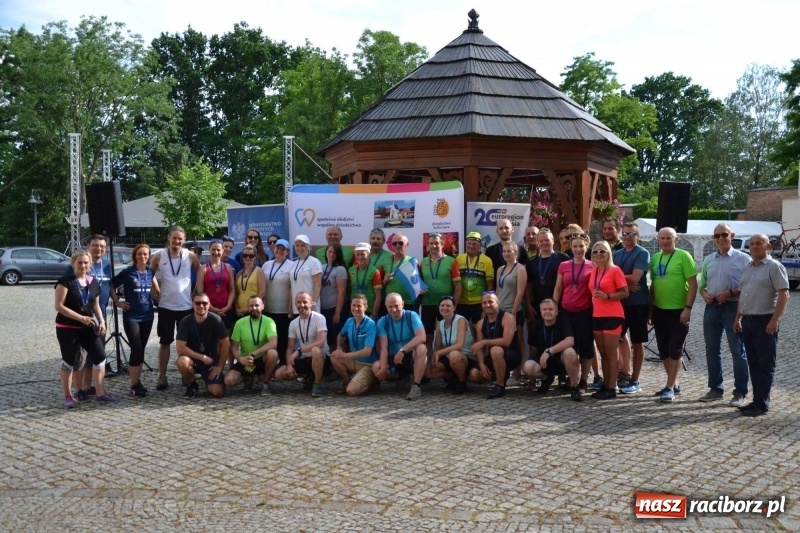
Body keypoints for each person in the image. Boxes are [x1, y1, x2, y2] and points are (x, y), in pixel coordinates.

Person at [734, 235, 790, 417]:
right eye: (752, 244)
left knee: (765, 364)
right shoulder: (748, 267)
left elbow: (784, 294)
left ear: (768, 246)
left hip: (765, 320)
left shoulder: (774, 267)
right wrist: (738, 318)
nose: (755, 247)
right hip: (748, 321)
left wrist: (775, 320)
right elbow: (743, 295)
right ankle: (756, 400)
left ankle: (762, 404)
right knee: (754, 363)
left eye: (759, 244)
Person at [697, 223, 752, 406]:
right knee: (712, 350)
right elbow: (702, 284)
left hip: (733, 308)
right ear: (713, 238)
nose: (720, 238)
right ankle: (715, 389)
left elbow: (749, 286)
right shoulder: (708, 260)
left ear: (732, 235)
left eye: (724, 234)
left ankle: (740, 392)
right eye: (717, 235)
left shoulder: (744, 259)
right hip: (712, 308)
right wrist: (704, 294)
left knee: (737, 350)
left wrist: (730, 292)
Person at [55, 251, 117, 408]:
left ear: (90, 265)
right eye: (80, 262)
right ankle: (68, 396)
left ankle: (100, 393)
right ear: (73, 263)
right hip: (67, 327)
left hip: (88, 326)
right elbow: (59, 306)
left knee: (100, 357)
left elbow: (95, 305)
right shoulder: (65, 281)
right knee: (69, 362)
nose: (83, 266)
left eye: (86, 263)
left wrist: (102, 321)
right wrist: (80, 318)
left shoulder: (93, 281)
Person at [150, 226, 202, 391]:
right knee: (165, 342)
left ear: (184, 239)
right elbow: (148, 275)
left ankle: (184, 374)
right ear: (168, 238)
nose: (177, 241)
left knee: (185, 343)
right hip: (166, 306)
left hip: (186, 307)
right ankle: (162, 376)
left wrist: (197, 292)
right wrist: (156, 291)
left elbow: (201, 271)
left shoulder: (190, 256)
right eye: (174, 238)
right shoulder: (159, 256)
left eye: (180, 238)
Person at [649, 227, 697, 403]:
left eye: (669, 238)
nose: (665, 241)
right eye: (662, 238)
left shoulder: (684, 256)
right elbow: (653, 285)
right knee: (664, 351)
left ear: (676, 240)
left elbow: (693, 284)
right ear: (657, 240)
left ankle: (669, 387)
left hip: (679, 310)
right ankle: (673, 384)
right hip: (660, 310)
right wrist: (651, 310)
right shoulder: (655, 258)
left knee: (675, 349)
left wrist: (688, 308)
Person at [111, 244, 159, 397]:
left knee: (141, 349)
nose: (143, 257)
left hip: (147, 315)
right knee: (136, 348)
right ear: (134, 256)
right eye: (139, 254)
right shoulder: (127, 272)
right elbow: (111, 284)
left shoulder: (151, 272)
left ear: (149, 256)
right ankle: (133, 384)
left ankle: (138, 381)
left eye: (145, 254)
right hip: (131, 316)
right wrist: (117, 302)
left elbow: (157, 291)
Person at [72, 234, 112, 401]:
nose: (99, 249)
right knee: (80, 357)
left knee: (94, 357)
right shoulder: (80, 265)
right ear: (88, 246)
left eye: (102, 246)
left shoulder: (108, 265)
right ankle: (78, 389)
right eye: (95, 245)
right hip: (81, 319)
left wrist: (115, 302)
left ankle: (88, 387)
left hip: (99, 317)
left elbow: (111, 286)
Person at [553, 232, 594, 391]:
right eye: (575, 246)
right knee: (569, 348)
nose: (578, 249)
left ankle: (583, 380)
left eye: (581, 246)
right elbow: (558, 288)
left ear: (586, 246)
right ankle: (572, 380)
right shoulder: (563, 266)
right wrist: (555, 305)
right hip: (566, 312)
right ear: (570, 247)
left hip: (584, 312)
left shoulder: (592, 265)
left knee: (586, 347)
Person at [588, 241, 629, 400]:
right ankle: (606, 385)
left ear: (609, 253)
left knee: (611, 353)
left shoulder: (615, 270)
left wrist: (608, 296)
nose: (599, 255)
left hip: (613, 315)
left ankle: (612, 388)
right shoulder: (594, 271)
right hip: (597, 315)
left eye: (602, 252)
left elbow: (625, 292)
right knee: (603, 353)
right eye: (596, 252)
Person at [614, 222, 651, 395]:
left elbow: (636, 278)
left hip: (637, 303)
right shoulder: (617, 253)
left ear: (638, 236)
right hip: (619, 303)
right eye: (625, 234)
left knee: (637, 342)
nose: (627, 237)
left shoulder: (642, 253)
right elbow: (608, 275)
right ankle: (613, 376)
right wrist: (625, 284)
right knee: (615, 340)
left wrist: (617, 277)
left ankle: (635, 380)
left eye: (631, 234)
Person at [522, 299, 582, 401]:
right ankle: (546, 379)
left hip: (562, 360)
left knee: (570, 353)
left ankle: (574, 387)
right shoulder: (535, 326)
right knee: (527, 366)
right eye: (544, 309)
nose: (547, 312)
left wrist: (549, 351)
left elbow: (570, 341)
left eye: (550, 309)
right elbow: (533, 350)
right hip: (544, 362)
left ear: (556, 310)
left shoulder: (564, 321)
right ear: (540, 312)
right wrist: (532, 379)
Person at [274, 292, 329, 397]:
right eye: (299, 302)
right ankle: (309, 376)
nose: (302, 305)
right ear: (295, 304)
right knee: (279, 374)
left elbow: (320, 342)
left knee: (315, 350)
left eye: (305, 302)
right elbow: (289, 348)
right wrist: (289, 366)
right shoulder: (293, 323)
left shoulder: (319, 318)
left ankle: (317, 384)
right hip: (305, 358)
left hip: (322, 357)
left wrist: (299, 351)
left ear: (311, 303)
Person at [176, 292, 229, 399]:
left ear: (209, 305)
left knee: (218, 393)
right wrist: (202, 357)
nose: (201, 306)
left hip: (211, 361)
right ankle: (191, 384)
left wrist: (219, 366)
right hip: (193, 359)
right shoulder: (185, 321)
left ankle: (209, 380)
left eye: (204, 303)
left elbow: (225, 344)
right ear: (193, 304)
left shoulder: (216, 320)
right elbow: (180, 347)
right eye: (198, 303)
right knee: (182, 362)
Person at [376, 293, 428, 400]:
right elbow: (383, 347)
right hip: (394, 358)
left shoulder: (411, 316)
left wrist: (403, 350)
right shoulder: (382, 321)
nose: (393, 309)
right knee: (377, 367)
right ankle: (400, 377)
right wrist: (383, 367)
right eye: (390, 307)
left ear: (403, 304)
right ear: (386, 307)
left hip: (409, 356)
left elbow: (422, 337)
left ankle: (416, 386)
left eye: (396, 306)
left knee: (422, 348)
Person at [225, 296, 279, 396]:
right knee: (229, 381)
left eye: (257, 305)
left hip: (261, 360)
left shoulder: (269, 321)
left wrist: (255, 353)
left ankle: (265, 383)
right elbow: (233, 348)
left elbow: (273, 343)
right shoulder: (240, 323)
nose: (254, 308)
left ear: (262, 306)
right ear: (247, 307)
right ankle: (247, 377)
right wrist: (240, 359)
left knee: (273, 353)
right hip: (246, 361)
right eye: (251, 306)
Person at [472, 291, 520, 399]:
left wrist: (484, 342)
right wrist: (481, 364)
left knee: (495, 350)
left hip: (511, 355)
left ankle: (500, 386)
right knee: (474, 374)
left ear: (498, 302)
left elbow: (506, 341)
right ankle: (501, 375)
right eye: (484, 303)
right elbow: (479, 348)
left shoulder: (508, 317)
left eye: (490, 301)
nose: (487, 305)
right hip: (494, 357)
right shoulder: (480, 323)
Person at [330, 294, 380, 397]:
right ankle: (347, 381)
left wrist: (343, 355)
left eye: (359, 306)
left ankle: (372, 381)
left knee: (352, 391)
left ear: (365, 307)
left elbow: (367, 351)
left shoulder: (370, 324)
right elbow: (341, 335)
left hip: (367, 365)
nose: (355, 308)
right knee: (334, 356)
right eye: (353, 305)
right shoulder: (349, 321)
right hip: (354, 362)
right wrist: (339, 346)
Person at [419, 232, 461, 350]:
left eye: (437, 243)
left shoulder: (452, 261)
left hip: (446, 306)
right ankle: (428, 365)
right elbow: (419, 284)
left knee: (444, 336)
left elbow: (458, 286)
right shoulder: (423, 262)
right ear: (428, 245)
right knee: (428, 337)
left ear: (442, 244)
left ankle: (441, 364)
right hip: (427, 304)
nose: (434, 246)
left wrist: (454, 306)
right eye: (431, 243)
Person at [427, 295, 475, 395]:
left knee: (454, 354)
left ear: (454, 307)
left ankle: (462, 382)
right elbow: (437, 346)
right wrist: (433, 358)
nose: (444, 308)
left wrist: (439, 353)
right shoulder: (440, 324)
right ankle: (453, 375)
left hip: (465, 356)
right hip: (449, 357)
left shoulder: (460, 320)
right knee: (428, 372)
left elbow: (459, 345)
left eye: (448, 306)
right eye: (442, 305)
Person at [496, 241, 527, 384]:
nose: (506, 254)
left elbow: (520, 292)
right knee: (504, 342)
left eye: (509, 251)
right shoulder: (500, 269)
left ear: (516, 252)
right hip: (500, 312)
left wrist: (513, 313)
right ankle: (504, 373)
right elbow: (498, 291)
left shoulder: (520, 269)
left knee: (518, 341)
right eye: (504, 251)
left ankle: (517, 373)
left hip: (514, 311)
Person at [525, 229, 569, 322]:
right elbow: (528, 286)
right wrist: (529, 305)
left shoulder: (563, 258)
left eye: (547, 240)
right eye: (541, 241)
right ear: (538, 243)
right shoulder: (532, 262)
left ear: (553, 241)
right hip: (538, 307)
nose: (544, 243)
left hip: (560, 305)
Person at [263, 239, 294, 362]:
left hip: (283, 310)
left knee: (283, 339)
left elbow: (292, 287)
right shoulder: (266, 265)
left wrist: (291, 307)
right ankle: (269, 364)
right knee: (269, 339)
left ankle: (284, 363)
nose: (280, 251)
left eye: (283, 249)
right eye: (278, 248)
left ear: (287, 252)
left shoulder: (292, 265)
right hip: (268, 309)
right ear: (273, 249)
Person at [196, 239, 236, 331]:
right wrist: (212, 308)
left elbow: (232, 289)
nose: (216, 252)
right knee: (211, 340)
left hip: (226, 310)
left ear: (222, 251)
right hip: (208, 310)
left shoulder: (228, 267)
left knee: (225, 339)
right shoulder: (203, 269)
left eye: (218, 250)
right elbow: (200, 292)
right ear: (209, 250)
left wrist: (228, 306)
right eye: (213, 249)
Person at [456, 231, 495, 326]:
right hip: (462, 303)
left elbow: (490, 285)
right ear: (466, 244)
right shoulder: (459, 258)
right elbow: (455, 283)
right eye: (469, 243)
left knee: (479, 330)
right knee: (462, 330)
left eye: (474, 244)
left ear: (480, 244)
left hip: (479, 303)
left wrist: (486, 306)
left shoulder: (487, 260)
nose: (471, 246)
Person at [320, 243, 349, 348]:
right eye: (330, 251)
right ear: (326, 253)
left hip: (334, 309)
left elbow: (342, 292)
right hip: (322, 309)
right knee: (326, 340)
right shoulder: (322, 267)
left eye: (334, 252)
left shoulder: (340, 269)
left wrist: (337, 312)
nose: (332, 254)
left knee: (337, 339)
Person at [290, 235, 323, 315]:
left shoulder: (314, 262)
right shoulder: (294, 264)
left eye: (302, 245)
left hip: (309, 307)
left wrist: (313, 304)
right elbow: (292, 286)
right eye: (297, 246)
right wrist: (290, 306)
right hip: (297, 307)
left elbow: (318, 286)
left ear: (308, 247)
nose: (299, 248)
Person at [349, 242, 383, 319]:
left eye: (362, 254)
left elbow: (378, 296)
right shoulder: (351, 270)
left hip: (368, 311)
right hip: (354, 310)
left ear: (369, 255)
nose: (360, 257)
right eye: (357, 254)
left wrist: (374, 313)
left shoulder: (374, 271)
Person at [235, 244, 267, 318]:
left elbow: (262, 293)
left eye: (251, 256)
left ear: (255, 258)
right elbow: (236, 294)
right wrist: (236, 308)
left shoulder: (259, 271)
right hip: (240, 312)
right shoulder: (239, 273)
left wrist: (249, 308)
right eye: (245, 255)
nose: (248, 257)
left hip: (254, 310)